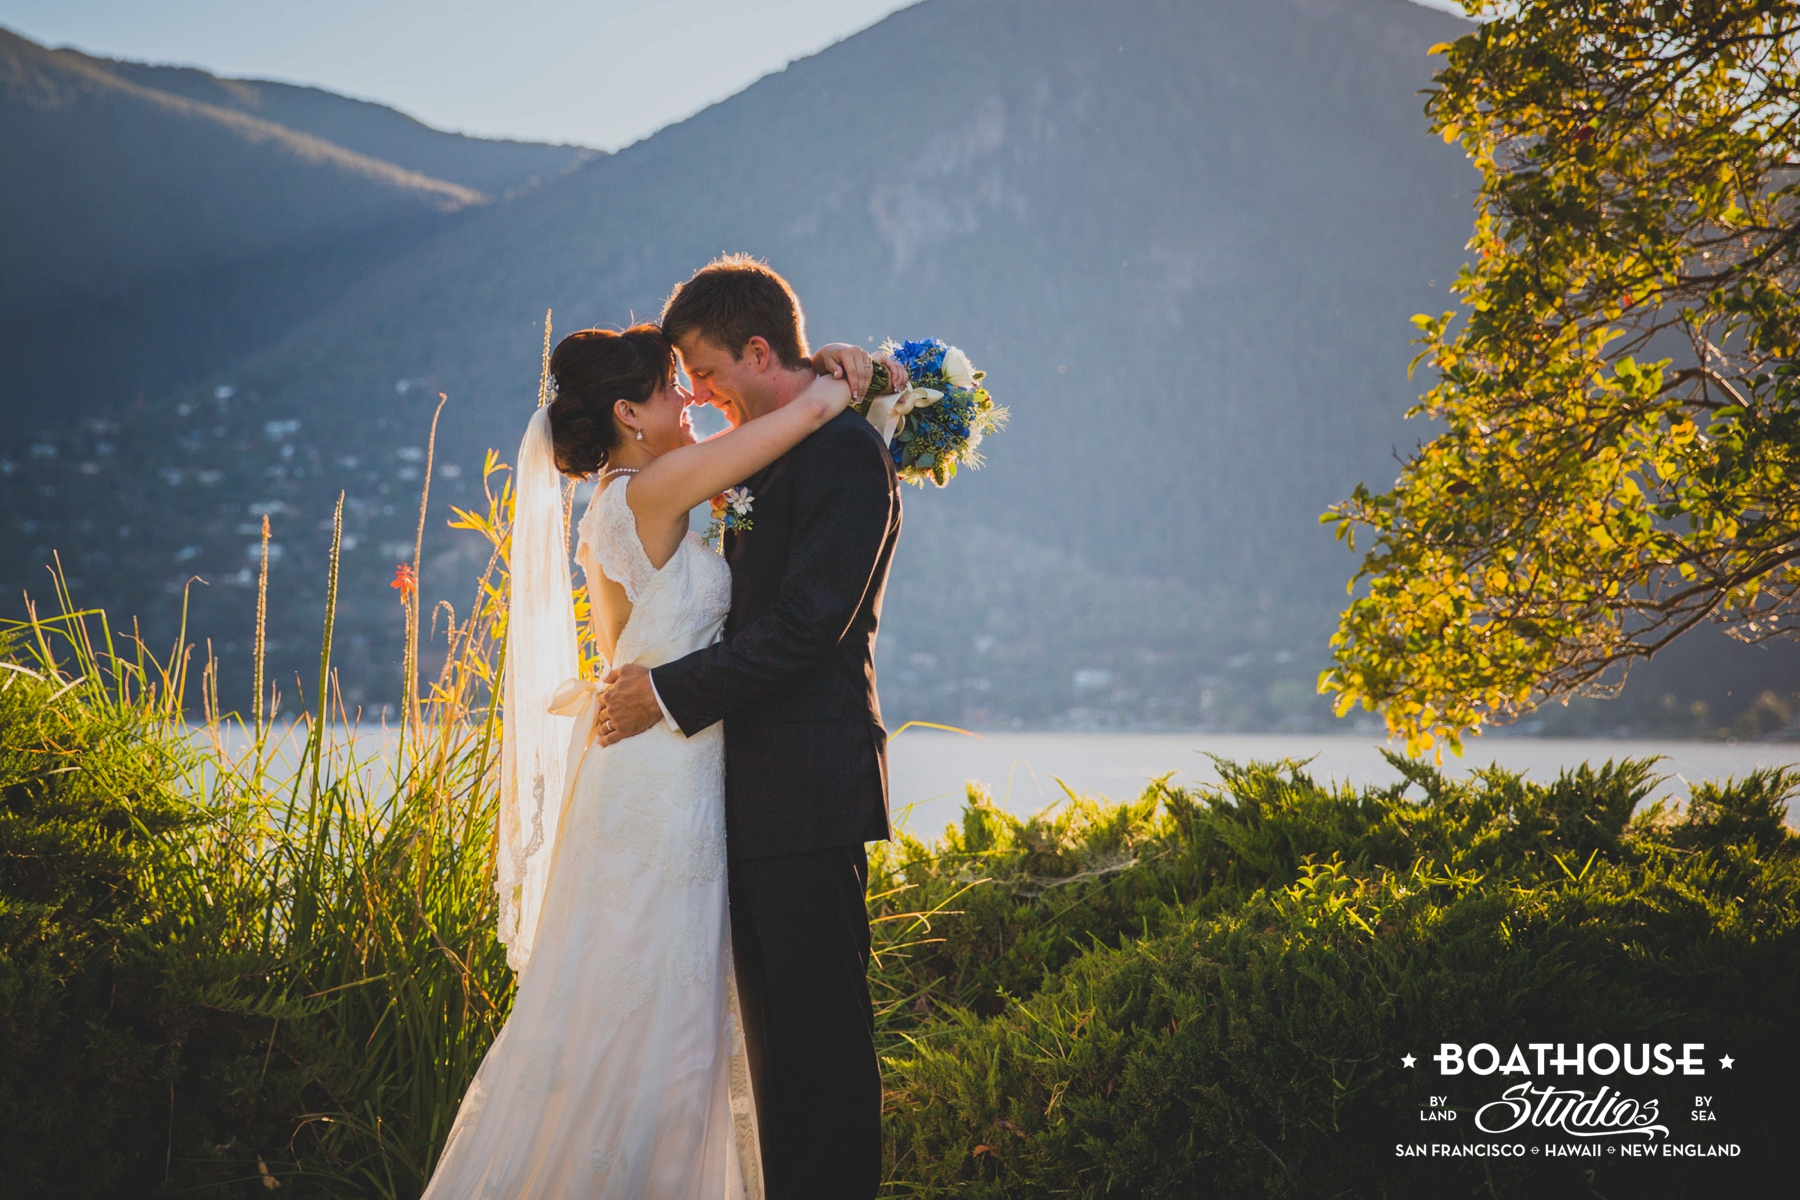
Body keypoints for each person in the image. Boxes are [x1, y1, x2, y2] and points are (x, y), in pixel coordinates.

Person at [420, 315, 899, 1199]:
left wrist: (822, 378)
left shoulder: (629, 497)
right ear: (629, 415)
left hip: (651, 765)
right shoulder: (657, 491)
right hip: (663, 773)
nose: (690, 395)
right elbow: (784, 426)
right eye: (672, 386)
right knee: (666, 1022)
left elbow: (755, 442)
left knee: (642, 1012)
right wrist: (845, 384)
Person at [595, 255, 903, 1200]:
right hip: (739, 798)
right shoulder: (770, 448)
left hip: (810, 793)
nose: (699, 395)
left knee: (824, 1060)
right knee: (774, 1066)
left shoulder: (848, 455)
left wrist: (670, 692)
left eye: (707, 374)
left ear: (758, 349)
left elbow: (809, 628)